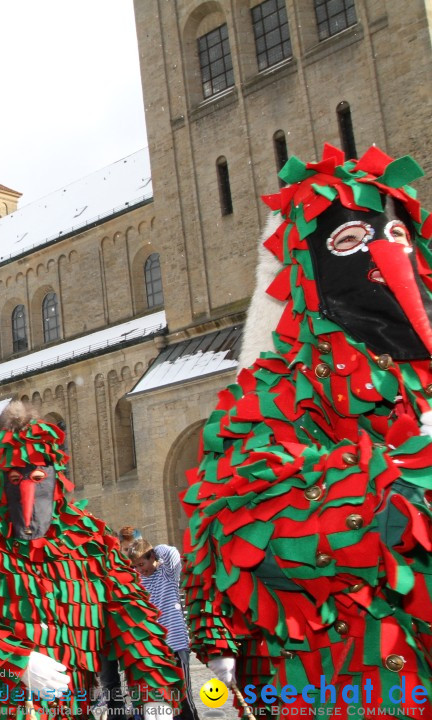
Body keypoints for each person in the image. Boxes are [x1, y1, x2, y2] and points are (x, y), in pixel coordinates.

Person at [184, 144, 432, 716]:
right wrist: (407, 484)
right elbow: (238, 519)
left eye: (396, 237)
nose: (380, 255)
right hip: (359, 680)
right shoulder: (280, 385)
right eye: (348, 242)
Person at [0, 402, 182, 718]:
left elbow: (133, 620)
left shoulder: (91, 541)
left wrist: (154, 695)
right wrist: (17, 661)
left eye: (38, 476)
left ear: (54, 477)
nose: (27, 491)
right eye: (15, 480)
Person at [125, 540, 198, 720]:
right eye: (136, 566)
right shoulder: (138, 581)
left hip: (176, 644)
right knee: (163, 697)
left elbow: (172, 552)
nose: (140, 570)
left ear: (153, 558)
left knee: (184, 696)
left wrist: (151, 549)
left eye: (142, 564)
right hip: (155, 650)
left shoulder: (167, 574)